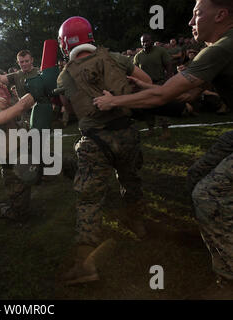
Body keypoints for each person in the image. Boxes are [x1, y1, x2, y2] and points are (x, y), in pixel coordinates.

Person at [94, 0, 233, 291]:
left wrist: (114, 101)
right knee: (197, 175)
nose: (190, 21)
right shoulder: (221, 47)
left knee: (207, 194)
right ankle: (218, 235)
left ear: (221, 15)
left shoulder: (221, 47)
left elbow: (164, 97)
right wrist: (144, 87)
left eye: (197, 13)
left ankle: (229, 277)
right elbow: (182, 96)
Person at [56, 16, 153, 285]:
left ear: (65, 44)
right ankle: (137, 222)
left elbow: (71, 106)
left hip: (94, 141)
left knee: (89, 200)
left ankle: (85, 265)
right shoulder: (117, 58)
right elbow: (147, 83)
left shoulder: (65, 75)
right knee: (131, 180)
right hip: (126, 133)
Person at [0, 81, 36, 220]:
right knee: (20, 214)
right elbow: (21, 106)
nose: (5, 96)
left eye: (5, 93)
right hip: (13, 170)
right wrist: (38, 89)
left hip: (25, 162)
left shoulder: (7, 113)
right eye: (0, 94)